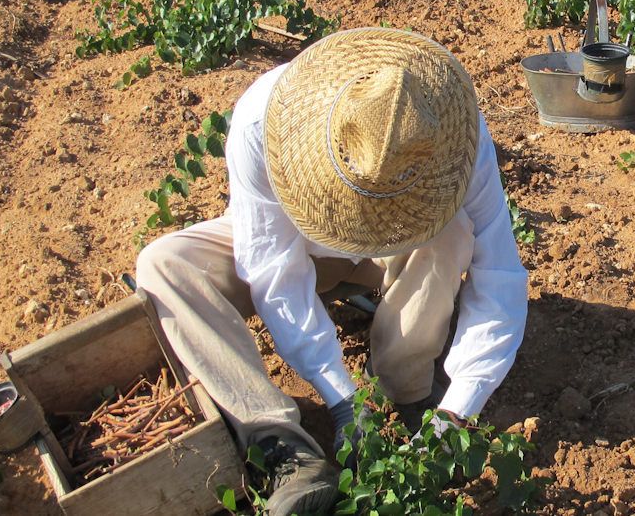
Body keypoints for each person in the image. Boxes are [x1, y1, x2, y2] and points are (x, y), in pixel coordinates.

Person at [134, 28, 529, 516]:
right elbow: (272, 267)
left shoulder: (455, 133)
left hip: (395, 246)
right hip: (293, 239)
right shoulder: (265, 120)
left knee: (456, 229)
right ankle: (282, 443)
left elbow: (501, 276)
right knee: (165, 264)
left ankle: (407, 384)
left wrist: (459, 411)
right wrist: (341, 399)